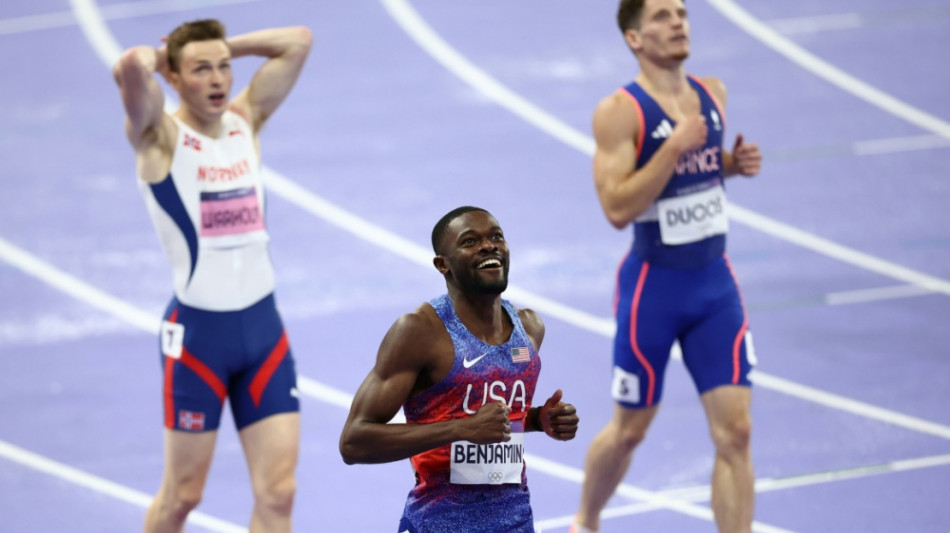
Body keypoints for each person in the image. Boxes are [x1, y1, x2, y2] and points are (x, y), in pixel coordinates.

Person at [112, 19, 312, 532]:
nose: (220, 78)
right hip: (199, 339)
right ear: (174, 79)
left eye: (225, 67)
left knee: (279, 492)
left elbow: (299, 42)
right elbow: (129, 67)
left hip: (264, 332)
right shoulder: (158, 138)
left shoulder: (247, 120)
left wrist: (224, 47)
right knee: (182, 496)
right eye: (202, 70)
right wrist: (165, 59)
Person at [571, 1, 763, 532]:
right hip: (653, 293)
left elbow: (694, 178)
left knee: (736, 433)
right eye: (661, 16)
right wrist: (673, 147)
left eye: (680, 11)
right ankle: (586, 520)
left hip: (714, 285)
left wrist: (729, 166)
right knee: (630, 431)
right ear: (634, 38)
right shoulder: (619, 112)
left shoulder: (713, 94)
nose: (678, 21)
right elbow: (617, 207)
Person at [339, 206, 580, 533]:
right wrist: (461, 429)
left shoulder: (529, 329)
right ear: (443, 264)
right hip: (438, 523)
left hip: (516, 520)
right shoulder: (419, 332)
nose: (489, 246)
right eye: (470, 241)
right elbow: (354, 442)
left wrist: (539, 420)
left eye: (497, 237)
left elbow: (494, 421)